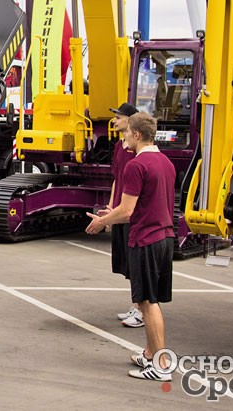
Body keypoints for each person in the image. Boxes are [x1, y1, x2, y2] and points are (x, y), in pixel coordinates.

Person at [86, 112, 176, 381]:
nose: (123, 136)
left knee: (148, 302)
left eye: (126, 133)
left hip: (145, 238)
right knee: (147, 299)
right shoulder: (166, 163)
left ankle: (161, 365)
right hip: (164, 237)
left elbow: (126, 211)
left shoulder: (136, 166)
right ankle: (150, 353)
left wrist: (102, 221)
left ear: (137, 134)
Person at [88, 103, 140, 327]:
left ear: (130, 121)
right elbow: (117, 178)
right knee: (127, 261)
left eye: (119, 117)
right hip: (120, 209)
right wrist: (111, 206)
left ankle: (141, 309)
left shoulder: (137, 149)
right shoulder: (119, 146)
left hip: (133, 213)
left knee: (137, 261)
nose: (115, 121)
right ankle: (135, 304)